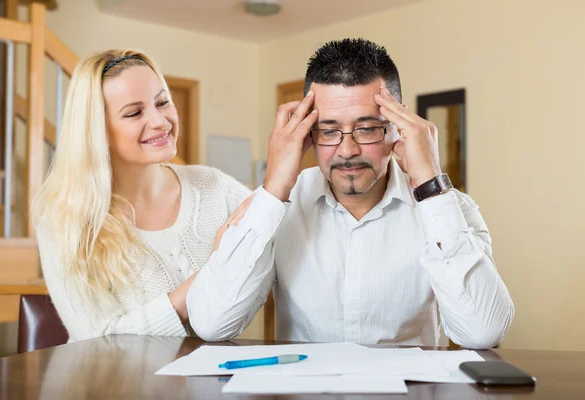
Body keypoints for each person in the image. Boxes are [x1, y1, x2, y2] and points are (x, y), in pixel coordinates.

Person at [188, 38, 515, 348]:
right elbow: (212, 324)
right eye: (329, 130)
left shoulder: (448, 208)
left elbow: (483, 332)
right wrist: (274, 187)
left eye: (367, 128)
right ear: (308, 131)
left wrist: (430, 182)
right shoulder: (275, 207)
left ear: (397, 124)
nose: (347, 150)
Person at [32, 50, 253, 341]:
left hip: (216, 380)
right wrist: (213, 271)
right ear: (97, 131)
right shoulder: (64, 218)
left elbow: (283, 234)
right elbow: (95, 339)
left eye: (163, 102)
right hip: (117, 385)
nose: (160, 121)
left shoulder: (213, 186)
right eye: (134, 113)